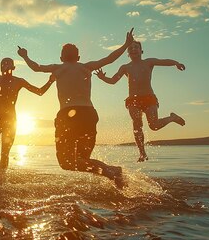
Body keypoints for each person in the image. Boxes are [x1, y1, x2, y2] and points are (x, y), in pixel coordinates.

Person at [16, 29, 135, 188]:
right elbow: (109, 59)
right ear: (78, 57)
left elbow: (36, 67)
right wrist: (126, 44)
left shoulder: (57, 68)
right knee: (82, 159)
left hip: (68, 115)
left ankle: (109, 172)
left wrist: (25, 56)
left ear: (61, 57)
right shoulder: (87, 67)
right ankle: (112, 171)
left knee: (67, 163)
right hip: (88, 114)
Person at [94, 40, 185, 162]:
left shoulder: (149, 62)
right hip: (133, 100)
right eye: (130, 48)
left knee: (154, 125)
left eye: (136, 47)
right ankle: (142, 153)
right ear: (128, 53)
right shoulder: (125, 67)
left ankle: (172, 118)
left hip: (149, 98)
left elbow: (164, 61)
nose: (133, 49)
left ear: (141, 51)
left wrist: (176, 63)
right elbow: (113, 80)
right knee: (137, 124)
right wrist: (103, 77)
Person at [0, 58, 55, 181]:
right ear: (0, 68)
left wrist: (50, 81)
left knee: (5, 152)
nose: (5, 65)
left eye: (8, 63)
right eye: (2, 64)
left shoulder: (19, 81)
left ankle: (0, 179)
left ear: (14, 67)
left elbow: (39, 92)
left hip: (11, 120)